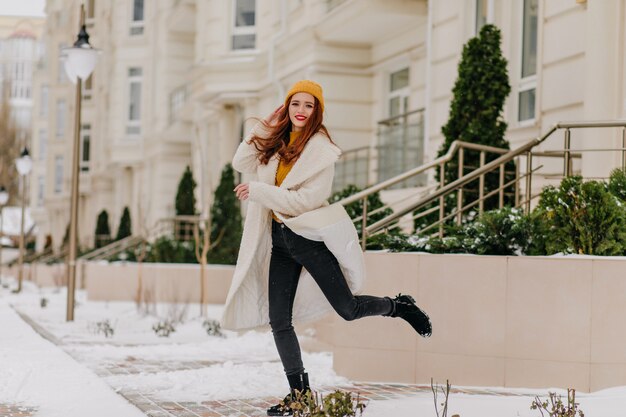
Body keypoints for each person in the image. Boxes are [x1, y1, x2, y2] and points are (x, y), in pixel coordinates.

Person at [221, 80, 432, 416]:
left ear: (317, 110)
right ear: (287, 107)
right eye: (295, 104)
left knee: (347, 309)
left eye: (308, 105)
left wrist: (260, 192)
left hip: (307, 239)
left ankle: (398, 306)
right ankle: (299, 394)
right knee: (279, 320)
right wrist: (269, 123)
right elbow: (240, 159)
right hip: (279, 241)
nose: (301, 111)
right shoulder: (275, 143)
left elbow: (305, 200)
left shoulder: (322, 152)